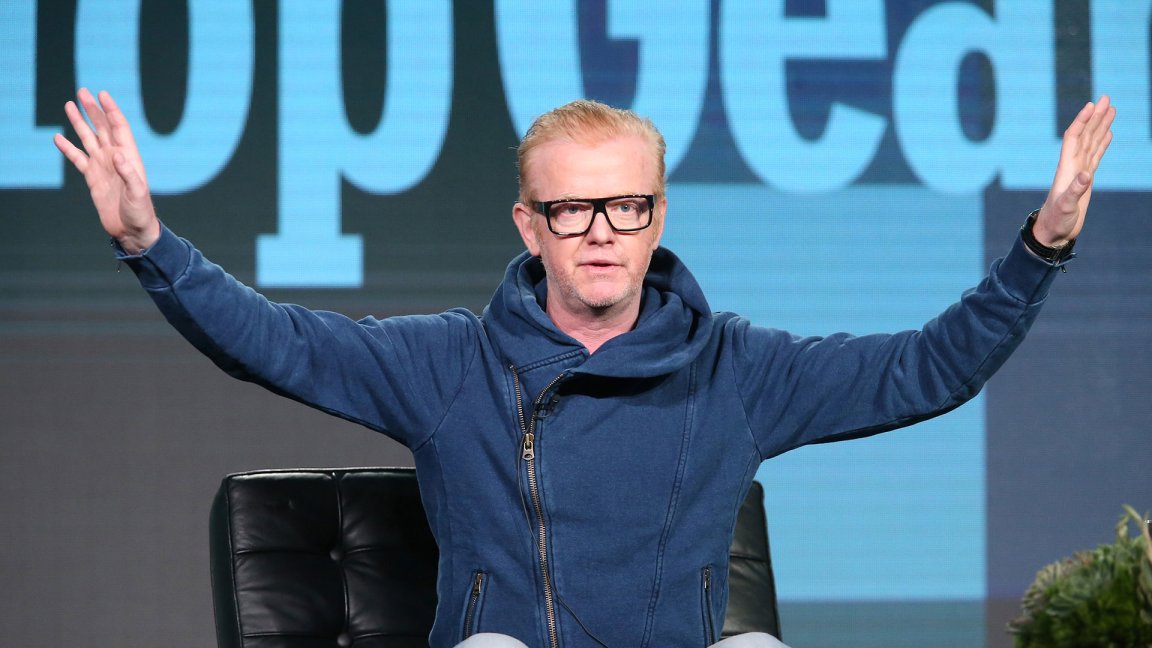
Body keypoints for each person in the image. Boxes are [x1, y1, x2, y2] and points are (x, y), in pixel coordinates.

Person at [55, 87, 1114, 648]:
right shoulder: (450, 363)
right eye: (571, 208)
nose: (601, 230)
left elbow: (927, 370)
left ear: (658, 219)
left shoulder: (737, 368)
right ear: (531, 225)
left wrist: (1043, 247)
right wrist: (149, 243)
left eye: (626, 205)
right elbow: (274, 341)